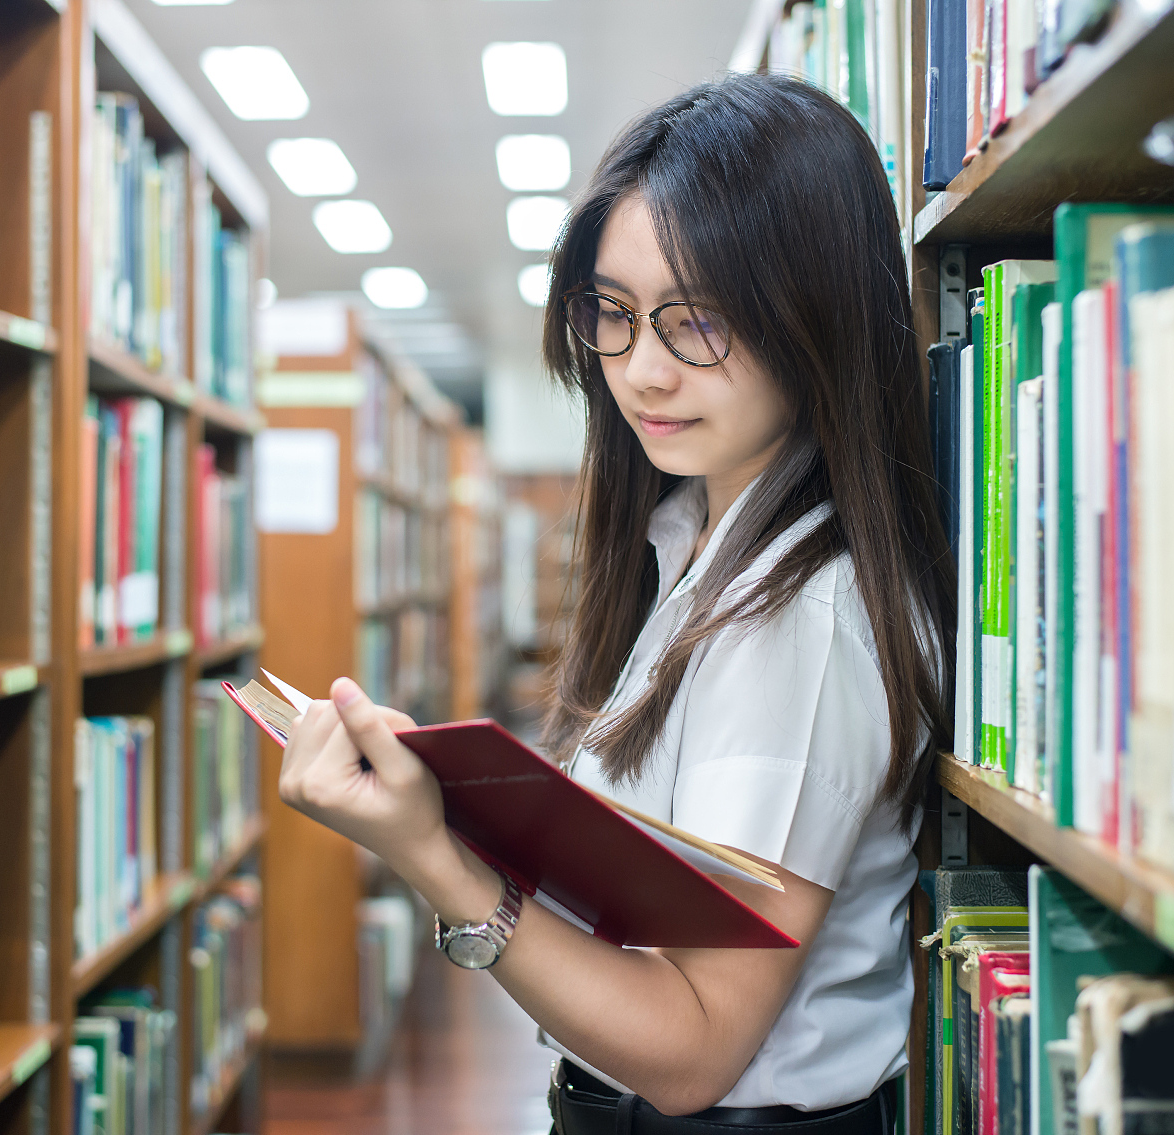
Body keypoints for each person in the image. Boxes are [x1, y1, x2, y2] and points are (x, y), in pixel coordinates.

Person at [275, 72, 953, 1134]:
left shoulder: (797, 621)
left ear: (815, 317)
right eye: (614, 315)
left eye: (700, 322)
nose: (641, 371)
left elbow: (691, 1051)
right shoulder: (691, 549)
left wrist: (429, 854)